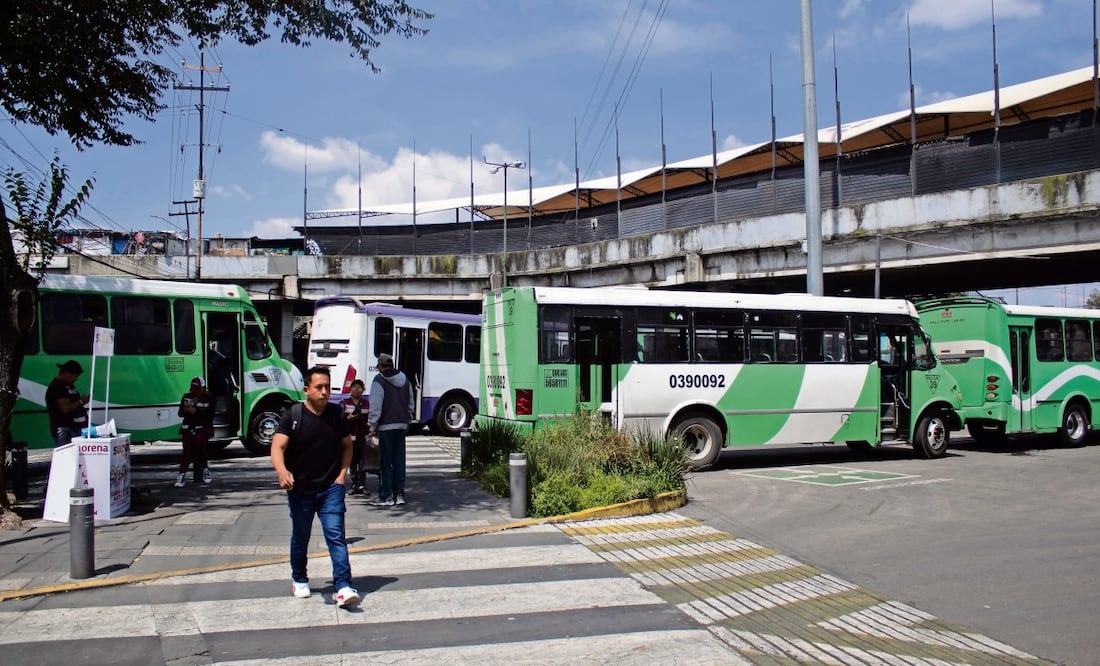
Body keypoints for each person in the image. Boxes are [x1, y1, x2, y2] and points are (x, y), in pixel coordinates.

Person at [270, 366, 360, 608]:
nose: (324, 392)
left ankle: (343, 586)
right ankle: (299, 578)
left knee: (336, 537)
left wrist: (341, 477)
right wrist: (282, 471)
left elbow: (347, 446)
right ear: (307, 389)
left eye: (327, 387)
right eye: (319, 387)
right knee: (301, 536)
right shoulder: (293, 415)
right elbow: (277, 447)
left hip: (330, 488)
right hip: (300, 490)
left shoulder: (336, 414)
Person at [367, 353, 414, 507]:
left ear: (380, 366)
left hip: (386, 426)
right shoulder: (405, 379)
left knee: (386, 462)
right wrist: (408, 419)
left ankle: (386, 495)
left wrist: (372, 426)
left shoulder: (379, 380)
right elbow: (411, 402)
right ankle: (399, 494)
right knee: (399, 460)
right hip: (401, 424)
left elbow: (375, 405)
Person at [176, 376, 214, 487]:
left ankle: (205, 469)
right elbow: (180, 413)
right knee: (187, 450)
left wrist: (195, 411)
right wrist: (185, 409)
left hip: (203, 427)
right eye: (193, 388)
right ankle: (182, 474)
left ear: (203, 388)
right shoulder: (187, 397)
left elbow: (209, 416)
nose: (195, 391)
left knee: (200, 444)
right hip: (188, 427)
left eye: (197, 388)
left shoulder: (209, 398)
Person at [45, 360, 89, 446]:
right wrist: (81, 401)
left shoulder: (67, 385)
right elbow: (65, 409)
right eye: (75, 376)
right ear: (67, 373)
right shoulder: (58, 387)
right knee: (65, 453)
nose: (75, 379)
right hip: (65, 428)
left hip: (73, 427)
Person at [340, 379, 370, 496]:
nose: (357, 389)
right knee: (352, 462)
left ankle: (362, 484)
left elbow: (371, 419)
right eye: (354, 387)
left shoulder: (367, 404)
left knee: (363, 462)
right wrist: (348, 418)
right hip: (350, 437)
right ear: (350, 389)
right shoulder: (345, 403)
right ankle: (354, 484)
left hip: (363, 437)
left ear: (363, 390)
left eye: (359, 387)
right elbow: (340, 420)